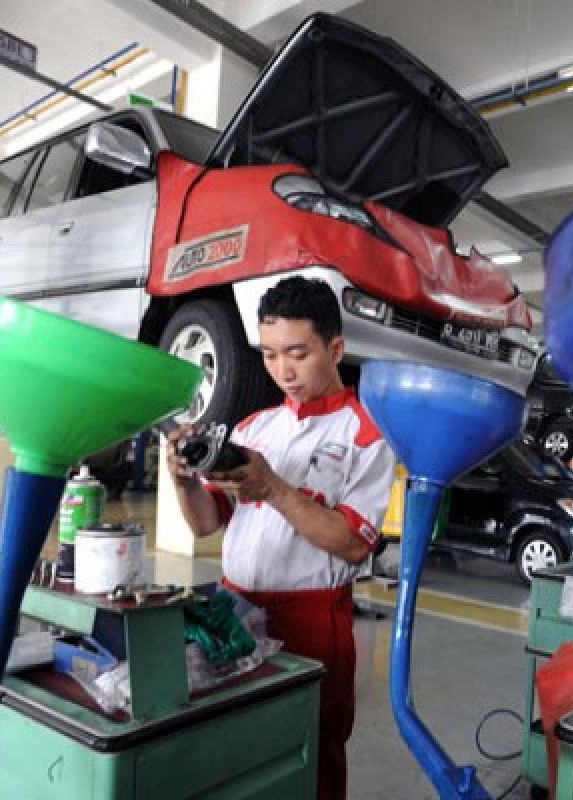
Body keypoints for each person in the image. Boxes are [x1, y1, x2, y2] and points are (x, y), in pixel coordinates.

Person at [167, 277, 396, 800]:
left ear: (334, 349)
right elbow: (206, 522)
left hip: (312, 620)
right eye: (269, 355)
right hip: (234, 613)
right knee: (240, 751)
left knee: (312, 752)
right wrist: (181, 478)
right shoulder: (252, 427)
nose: (282, 371)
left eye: (298, 354)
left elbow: (353, 543)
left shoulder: (366, 434)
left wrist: (272, 486)